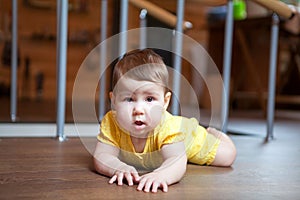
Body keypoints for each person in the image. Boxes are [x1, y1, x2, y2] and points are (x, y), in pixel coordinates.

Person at [93, 49, 236, 193]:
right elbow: (102, 155)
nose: (139, 109)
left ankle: (216, 134)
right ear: (114, 101)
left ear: (165, 102)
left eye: (149, 99)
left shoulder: (168, 128)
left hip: (187, 135)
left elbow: (177, 160)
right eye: (129, 99)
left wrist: (161, 175)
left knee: (227, 156)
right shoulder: (111, 122)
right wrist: (117, 167)